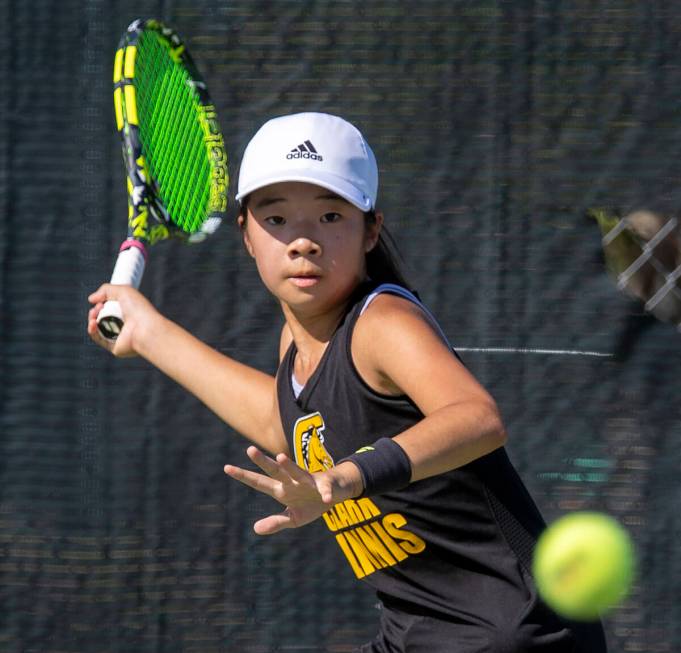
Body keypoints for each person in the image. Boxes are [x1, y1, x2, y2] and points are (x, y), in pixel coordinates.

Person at [88, 112, 607, 652]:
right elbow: (282, 422)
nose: (303, 241)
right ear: (246, 234)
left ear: (371, 231)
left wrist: (342, 480)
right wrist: (150, 335)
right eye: (278, 219)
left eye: (330, 216)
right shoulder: (297, 346)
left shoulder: (382, 324)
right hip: (417, 634)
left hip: (510, 637)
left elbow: (477, 418)